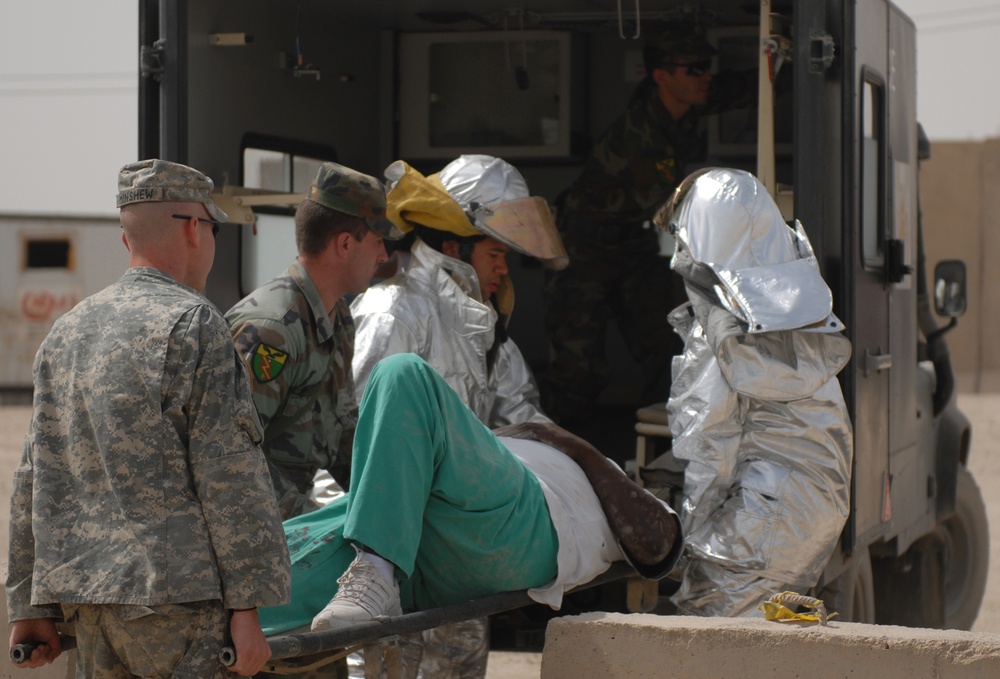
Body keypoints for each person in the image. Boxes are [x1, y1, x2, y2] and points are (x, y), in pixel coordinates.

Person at [5, 159, 291, 677]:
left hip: (89, 603)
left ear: (125, 240)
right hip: (178, 604)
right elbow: (229, 474)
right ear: (191, 228)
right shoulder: (195, 323)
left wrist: (28, 606)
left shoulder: (65, 333)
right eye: (213, 226)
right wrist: (249, 606)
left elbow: (33, 477)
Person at [257, 353, 683, 639]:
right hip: (419, 540)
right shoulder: (490, 451)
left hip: (518, 522)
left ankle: (376, 570)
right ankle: (371, 573)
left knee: (401, 371)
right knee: (259, 571)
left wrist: (572, 445)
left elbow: (660, 546)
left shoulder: (588, 475)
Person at [650, 167, 852, 616]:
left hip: (756, 526)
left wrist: (681, 541)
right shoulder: (797, 313)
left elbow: (708, 447)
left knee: (714, 650)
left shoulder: (721, 334)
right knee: (769, 647)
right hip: (810, 513)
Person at [541, 20, 752, 427]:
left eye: (706, 67)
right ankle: (553, 459)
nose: (705, 77)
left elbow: (736, 88)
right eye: (694, 69)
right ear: (662, 76)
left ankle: (665, 449)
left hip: (632, 250)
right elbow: (673, 213)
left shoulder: (684, 102)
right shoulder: (640, 137)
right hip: (584, 254)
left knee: (666, 352)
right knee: (578, 372)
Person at [226, 162, 404, 520]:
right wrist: (313, 521)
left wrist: (394, 503)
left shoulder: (338, 319)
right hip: (254, 525)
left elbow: (342, 436)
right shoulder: (272, 329)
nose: (384, 255)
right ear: (344, 244)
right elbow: (233, 458)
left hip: (287, 516)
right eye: (377, 241)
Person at [352, 154, 567, 428]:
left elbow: (519, 415)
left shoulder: (484, 323)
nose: (503, 269)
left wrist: (575, 456)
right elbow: (364, 436)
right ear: (454, 249)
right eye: (494, 255)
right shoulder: (392, 315)